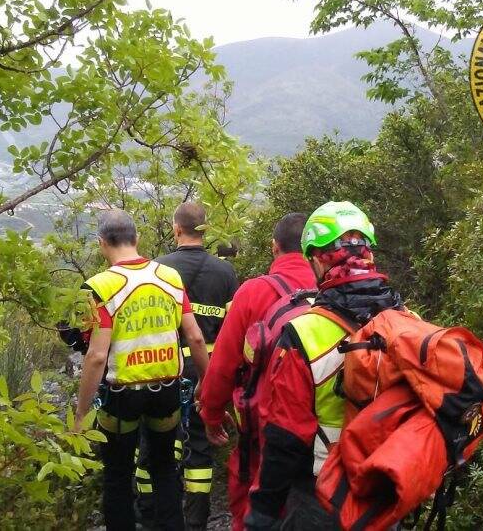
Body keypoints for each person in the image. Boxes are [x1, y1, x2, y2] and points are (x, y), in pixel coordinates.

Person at [245, 201, 404, 530]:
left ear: (318, 259)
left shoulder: (304, 332)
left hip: (322, 496)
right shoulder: (406, 322)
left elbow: (285, 438)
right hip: (387, 489)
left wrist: (261, 511)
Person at [74, 209, 209, 531]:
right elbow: (195, 336)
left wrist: (80, 414)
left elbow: (95, 356)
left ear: (101, 243)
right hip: (167, 391)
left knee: (118, 474)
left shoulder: (98, 287)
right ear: (137, 238)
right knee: (165, 469)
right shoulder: (169, 278)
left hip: (122, 397)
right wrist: (207, 380)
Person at [199, 212, 316, 531]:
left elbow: (223, 365)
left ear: (274, 247)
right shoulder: (332, 288)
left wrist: (210, 415)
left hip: (266, 433)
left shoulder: (254, 292)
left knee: (255, 510)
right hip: (326, 435)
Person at [136, 202, 239, 530]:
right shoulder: (225, 272)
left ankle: (150, 514)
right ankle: (196, 519)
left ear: (176, 229)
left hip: (166, 365)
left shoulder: (157, 268)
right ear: (204, 230)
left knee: (155, 442)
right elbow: (232, 330)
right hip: (208, 368)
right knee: (200, 444)